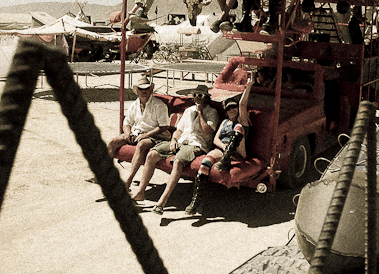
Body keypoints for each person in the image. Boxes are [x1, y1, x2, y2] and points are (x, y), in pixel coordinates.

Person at [130, 85, 219, 212]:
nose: (197, 98)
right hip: (182, 141)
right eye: (195, 95)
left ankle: (162, 201)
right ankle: (140, 192)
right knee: (152, 155)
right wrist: (173, 140)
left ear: (206, 98)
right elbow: (179, 130)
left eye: (200, 95)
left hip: (196, 144)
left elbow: (205, 131)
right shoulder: (188, 110)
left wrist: (200, 112)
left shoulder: (212, 112)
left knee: (177, 161)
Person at [185, 74, 254, 215]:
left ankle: (227, 157)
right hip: (224, 150)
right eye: (229, 109)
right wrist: (224, 147)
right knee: (205, 163)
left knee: (238, 129)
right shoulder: (224, 123)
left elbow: (242, 104)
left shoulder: (242, 121)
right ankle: (196, 201)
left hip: (239, 151)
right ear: (226, 111)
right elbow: (216, 140)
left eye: (233, 107)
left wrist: (249, 87)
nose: (232, 110)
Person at [87, 75, 171, 190]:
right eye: (141, 89)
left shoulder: (159, 105)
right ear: (137, 91)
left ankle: (128, 181)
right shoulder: (135, 104)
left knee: (142, 144)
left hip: (157, 135)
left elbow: (164, 126)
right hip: (137, 134)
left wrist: (146, 135)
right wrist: (127, 133)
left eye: (146, 89)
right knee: (113, 141)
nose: (144, 92)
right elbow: (127, 122)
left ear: (151, 90)